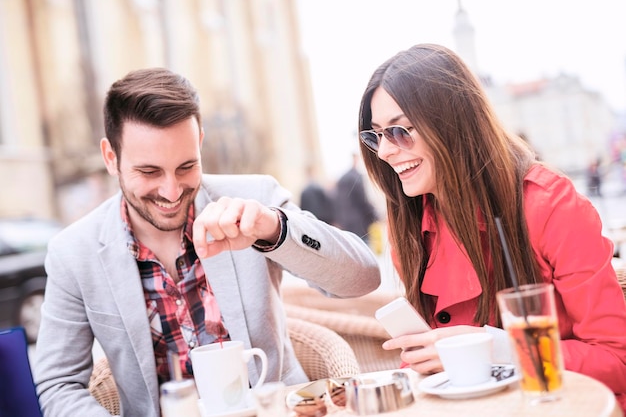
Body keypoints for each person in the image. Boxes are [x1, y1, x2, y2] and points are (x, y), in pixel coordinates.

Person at [34, 68, 381, 417]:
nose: (171, 191)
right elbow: (58, 384)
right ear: (111, 157)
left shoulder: (255, 198)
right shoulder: (73, 253)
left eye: (186, 166)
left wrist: (273, 229)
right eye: (149, 172)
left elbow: (362, 278)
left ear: (199, 141)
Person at [356, 43, 626, 411]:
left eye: (400, 131)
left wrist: (492, 348)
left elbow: (616, 360)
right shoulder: (410, 225)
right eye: (376, 136)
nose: (385, 152)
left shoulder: (548, 206)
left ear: (451, 124)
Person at [334, 152, 378, 243]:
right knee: (364, 251)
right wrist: (374, 215)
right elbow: (362, 200)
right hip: (359, 222)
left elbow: (336, 201)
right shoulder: (356, 177)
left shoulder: (341, 179)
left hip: (345, 223)